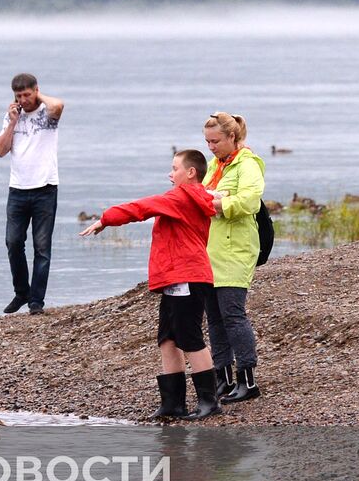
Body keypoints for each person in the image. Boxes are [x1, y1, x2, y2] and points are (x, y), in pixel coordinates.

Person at [80, 150, 222, 420]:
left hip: (188, 276)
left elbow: (141, 207)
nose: (170, 174)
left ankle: (209, 401)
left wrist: (106, 219)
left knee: (189, 337)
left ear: (190, 172)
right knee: (167, 338)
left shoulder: (181, 196)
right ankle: (173, 403)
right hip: (175, 278)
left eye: (175, 168)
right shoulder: (190, 197)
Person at [201, 112, 266, 403]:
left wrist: (218, 203)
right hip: (211, 250)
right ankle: (223, 377)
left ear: (232, 137)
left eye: (215, 141)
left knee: (232, 315)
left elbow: (251, 201)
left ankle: (248, 380)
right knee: (214, 318)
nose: (211, 147)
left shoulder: (247, 164)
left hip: (236, 249)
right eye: (207, 142)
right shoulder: (216, 165)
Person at [0, 74, 64, 315]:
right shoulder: (12, 115)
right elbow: (0, 150)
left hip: (45, 188)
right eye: (18, 96)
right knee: (13, 242)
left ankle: (36, 301)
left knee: (42, 247)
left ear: (36, 91)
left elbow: (59, 106)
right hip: (18, 190)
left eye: (27, 94)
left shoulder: (47, 113)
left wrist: (38, 96)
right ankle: (21, 292)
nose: (23, 100)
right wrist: (12, 122)